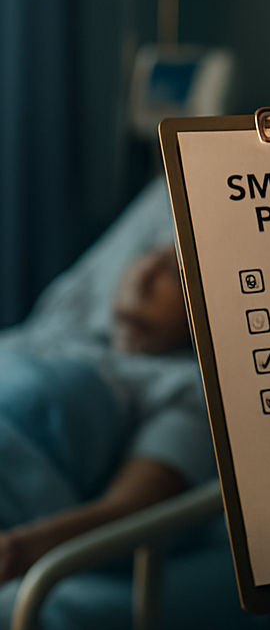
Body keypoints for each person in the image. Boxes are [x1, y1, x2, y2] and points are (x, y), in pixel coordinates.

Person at [0, 244, 214, 585]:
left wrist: (20, 551)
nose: (141, 279)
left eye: (174, 275)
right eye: (144, 257)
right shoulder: (61, 334)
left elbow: (133, 509)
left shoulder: (184, 389)